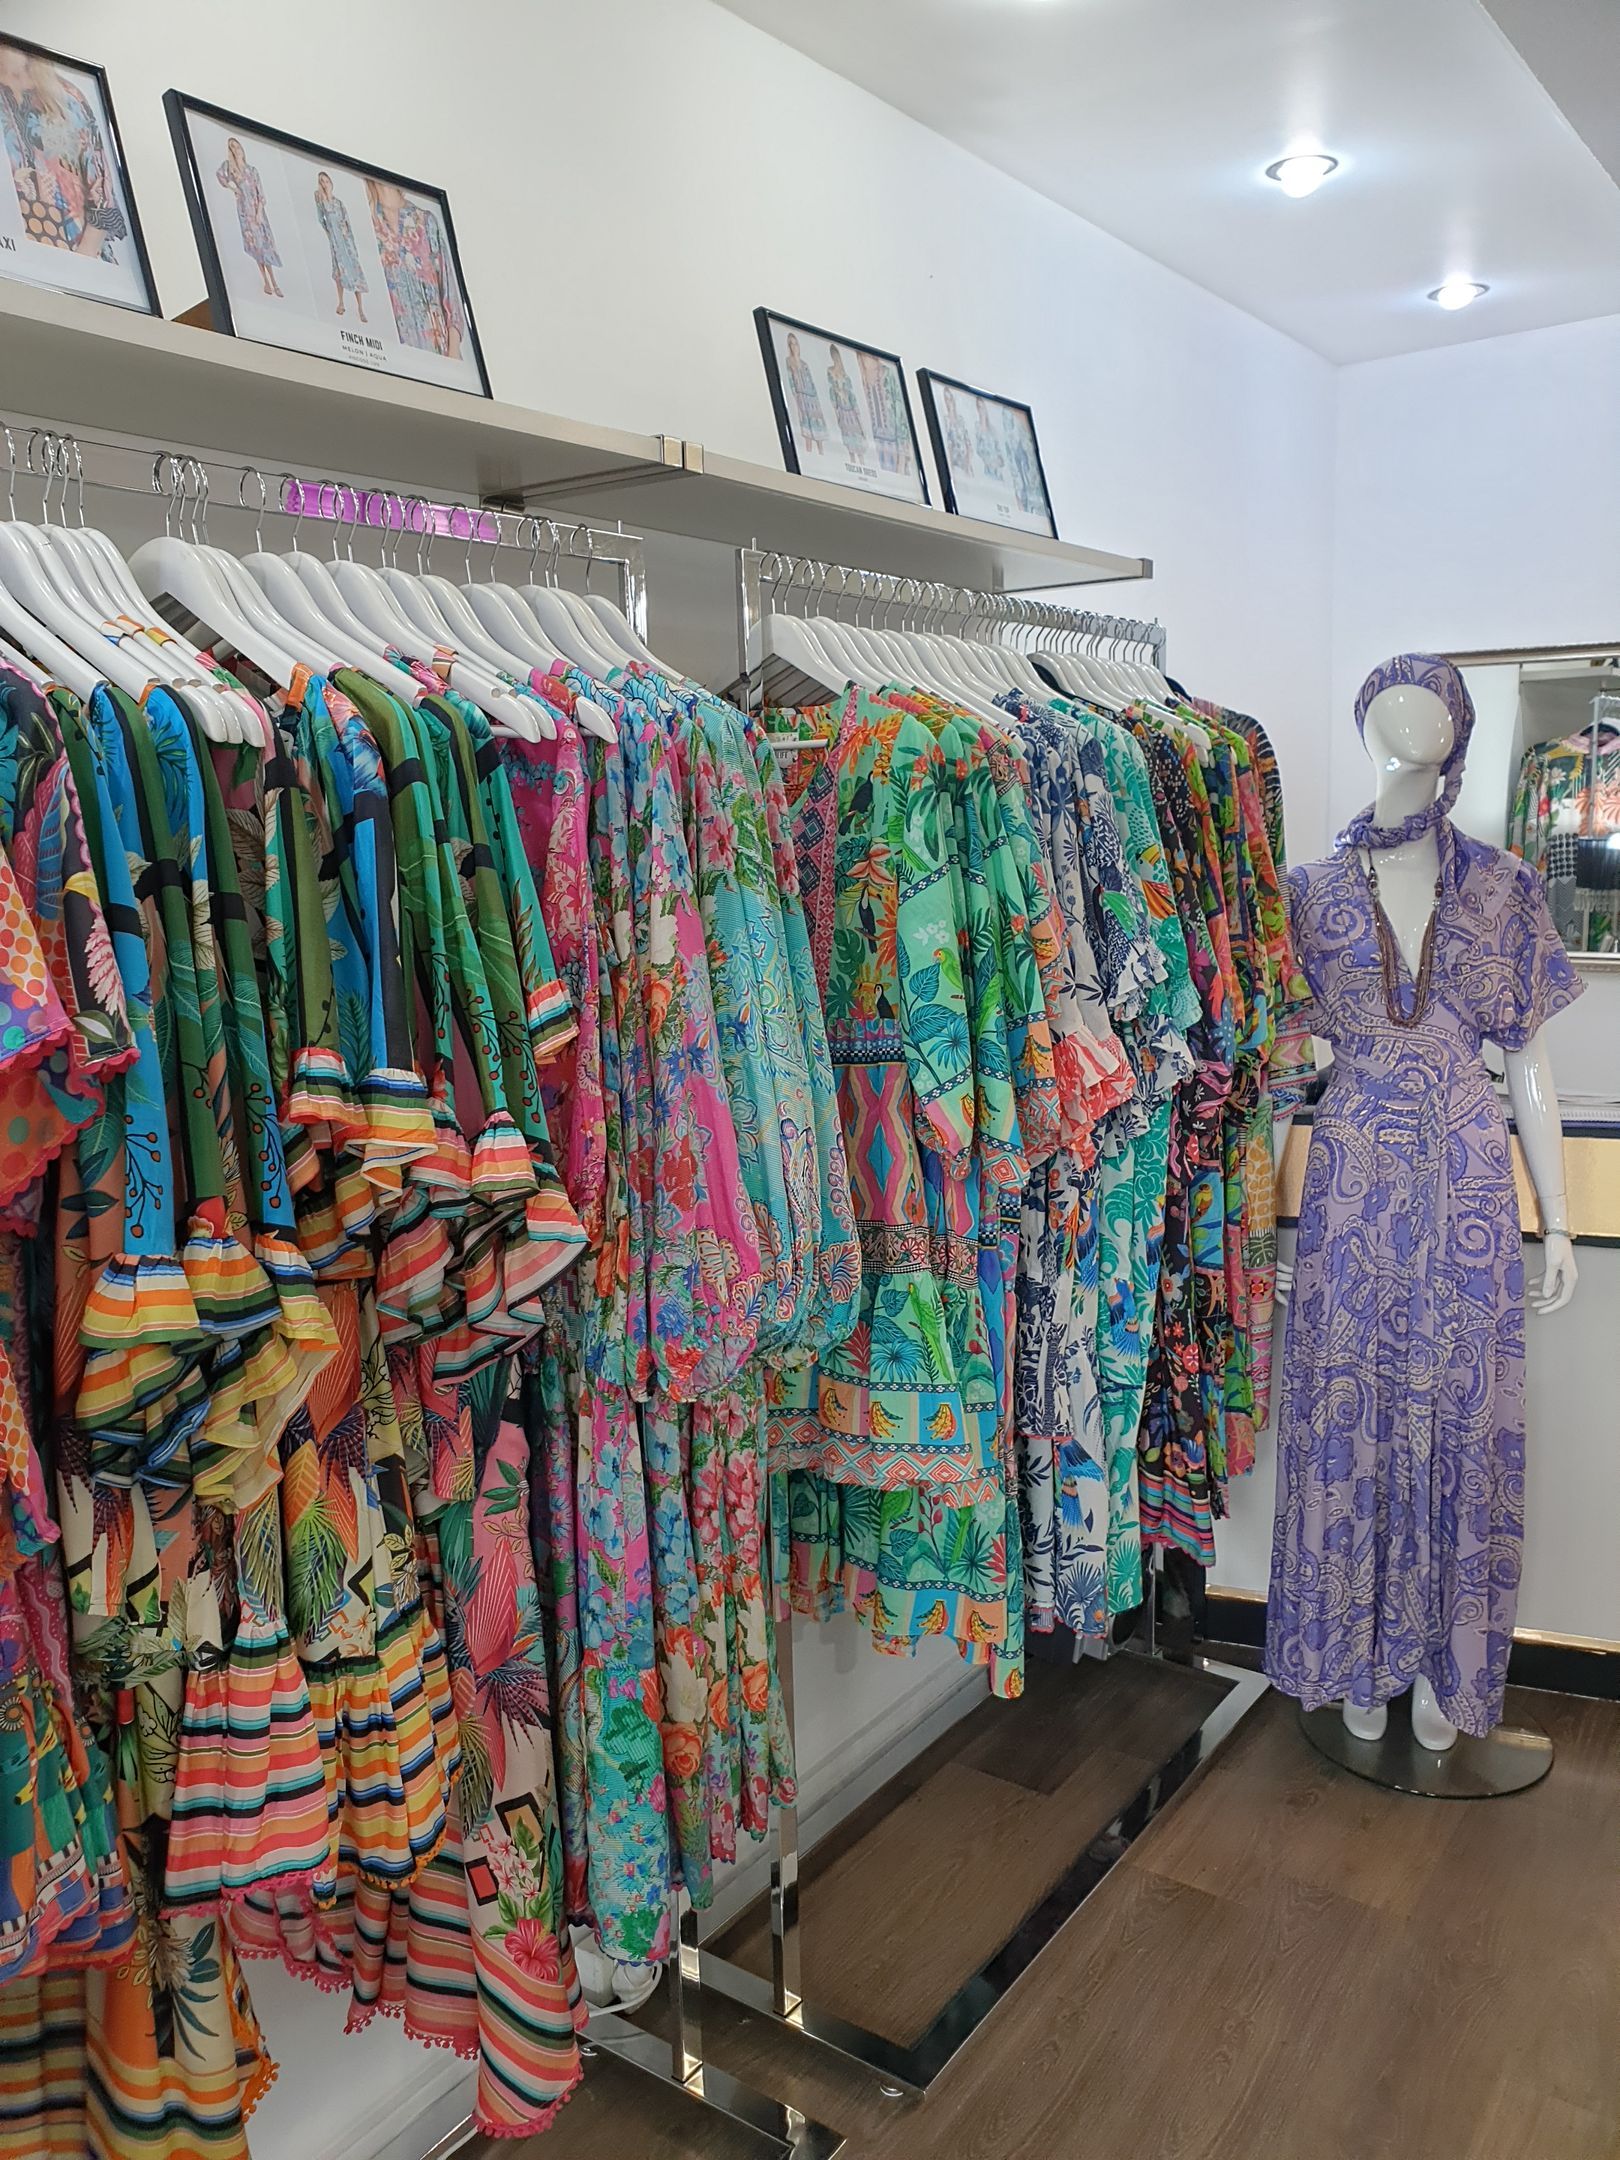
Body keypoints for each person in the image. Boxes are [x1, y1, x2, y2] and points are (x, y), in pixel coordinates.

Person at [0, 45, 126, 260]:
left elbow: (102, 191)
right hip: (15, 259)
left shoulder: (67, 96)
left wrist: (84, 258)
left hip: (78, 255)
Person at [366, 177, 464, 358]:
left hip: (439, 352)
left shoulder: (425, 221)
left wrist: (453, 354)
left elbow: (450, 292)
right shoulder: (367, 223)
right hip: (398, 356)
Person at [215, 135, 283, 297]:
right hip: (245, 212)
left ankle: (274, 282)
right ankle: (266, 281)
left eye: (237, 146)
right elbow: (220, 176)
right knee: (256, 246)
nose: (236, 149)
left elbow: (261, 194)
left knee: (265, 245)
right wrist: (234, 189)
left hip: (257, 212)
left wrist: (259, 212)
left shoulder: (252, 171)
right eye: (232, 147)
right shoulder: (231, 169)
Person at [314, 170, 367, 322]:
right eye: (322, 181)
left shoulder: (339, 203)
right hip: (335, 242)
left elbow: (347, 222)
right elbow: (321, 220)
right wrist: (330, 235)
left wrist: (347, 235)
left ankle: (360, 308)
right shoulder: (321, 200)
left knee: (354, 271)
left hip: (346, 241)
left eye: (326, 181)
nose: (324, 184)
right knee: (339, 272)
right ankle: (341, 303)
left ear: (331, 182)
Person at [783, 332, 827, 457]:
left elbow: (811, 383)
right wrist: (796, 398)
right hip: (801, 397)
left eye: (795, 343)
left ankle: (821, 454)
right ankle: (809, 455)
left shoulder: (804, 364)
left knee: (817, 429)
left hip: (812, 399)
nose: (794, 346)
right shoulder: (789, 361)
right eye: (791, 344)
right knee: (806, 429)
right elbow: (791, 382)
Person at [826, 344, 867, 463]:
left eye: (837, 356)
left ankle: (861, 460)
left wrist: (856, 411)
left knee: (857, 436)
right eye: (834, 356)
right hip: (842, 411)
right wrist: (837, 412)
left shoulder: (845, 376)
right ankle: (852, 459)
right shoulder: (830, 371)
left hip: (850, 410)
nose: (836, 359)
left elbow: (851, 395)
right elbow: (832, 393)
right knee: (847, 435)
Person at [940, 386, 975, 481]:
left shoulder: (960, 421)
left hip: (965, 464)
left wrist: (967, 464)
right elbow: (948, 446)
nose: (949, 402)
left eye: (950, 399)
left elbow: (968, 443)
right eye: (946, 400)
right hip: (954, 465)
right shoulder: (945, 421)